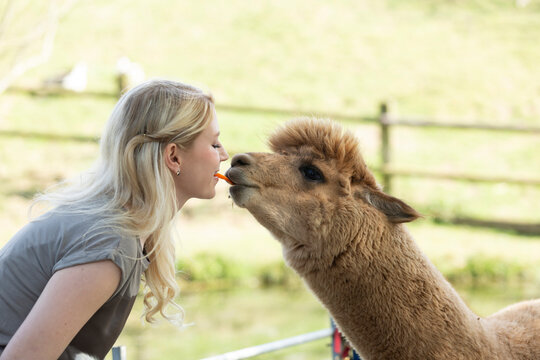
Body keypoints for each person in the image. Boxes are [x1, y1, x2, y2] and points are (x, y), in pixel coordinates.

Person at [0, 79, 229, 359]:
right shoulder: (110, 245)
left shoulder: (122, 229)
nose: (225, 155)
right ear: (173, 156)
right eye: (215, 143)